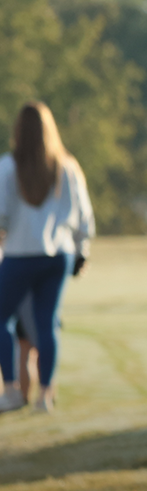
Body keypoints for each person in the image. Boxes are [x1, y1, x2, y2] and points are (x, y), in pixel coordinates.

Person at [0, 102, 94, 414]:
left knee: (2, 319)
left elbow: (2, 216)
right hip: (58, 254)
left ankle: (12, 388)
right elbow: (83, 217)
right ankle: (45, 396)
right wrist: (83, 252)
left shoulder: (8, 167)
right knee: (46, 324)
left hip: (20, 253)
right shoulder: (67, 167)